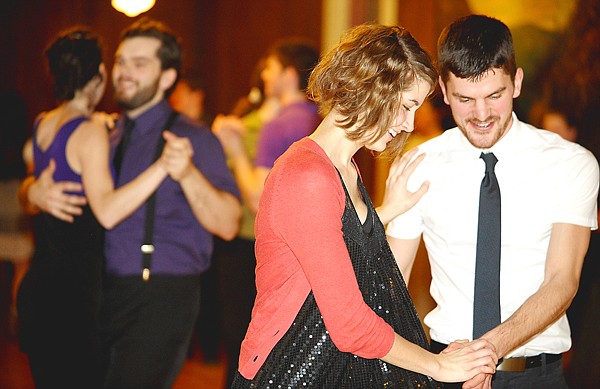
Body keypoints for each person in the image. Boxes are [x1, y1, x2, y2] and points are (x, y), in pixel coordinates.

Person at [232, 23, 497, 389]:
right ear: (371, 87)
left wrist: (386, 211)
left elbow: (333, 243)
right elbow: (349, 325)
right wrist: (437, 366)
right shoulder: (308, 174)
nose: (406, 124)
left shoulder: (343, 168)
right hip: (291, 371)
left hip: (330, 369)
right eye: (405, 106)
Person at [21, 19, 241, 389]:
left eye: (141, 64)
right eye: (122, 61)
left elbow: (229, 224)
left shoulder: (194, 138)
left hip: (160, 294)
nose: (125, 72)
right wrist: (31, 192)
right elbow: (38, 177)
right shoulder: (102, 132)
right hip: (97, 295)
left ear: (168, 77)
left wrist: (186, 173)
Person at [386, 14, 599, 389]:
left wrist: (488, 351)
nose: (481, 115)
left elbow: (562, 280)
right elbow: (390, 284)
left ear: (516, 83)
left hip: (535, 376)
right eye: (465, 99)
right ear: (444, 89)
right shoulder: (418, 166)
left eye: (494, 96)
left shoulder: (571, 164)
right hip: (444, 371)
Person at [15, 28, 170, 388]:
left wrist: (30, 192)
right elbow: (107, 211)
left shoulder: (43, 123)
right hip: (74, 297)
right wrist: (163, 167)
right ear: (99, 73)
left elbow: (32, 175)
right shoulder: (88, 132)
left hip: (41, 288)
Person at [210, 58, 281, 387]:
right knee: (238, 335)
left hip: (273, 243)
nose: (269, 75)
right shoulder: (242, 122)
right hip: (240, 240)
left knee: (268, 339)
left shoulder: (294, 123)